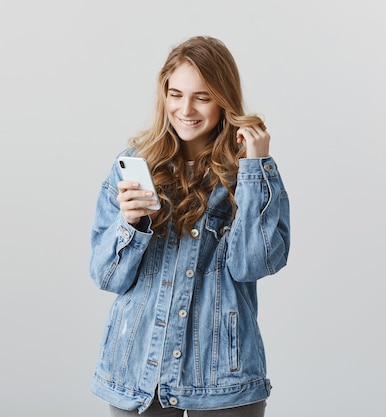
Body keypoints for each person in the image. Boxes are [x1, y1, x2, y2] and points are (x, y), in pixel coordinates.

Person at [88, 35, 290, 416]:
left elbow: (252, 265)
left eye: (202, 96)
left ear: (223, 98)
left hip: (222, 375)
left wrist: (254, 166)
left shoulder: (249, 173)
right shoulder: (134, 163)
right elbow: (105, 276)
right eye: (176, 94)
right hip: (136, 373)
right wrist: (130, 225)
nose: (185, 109)